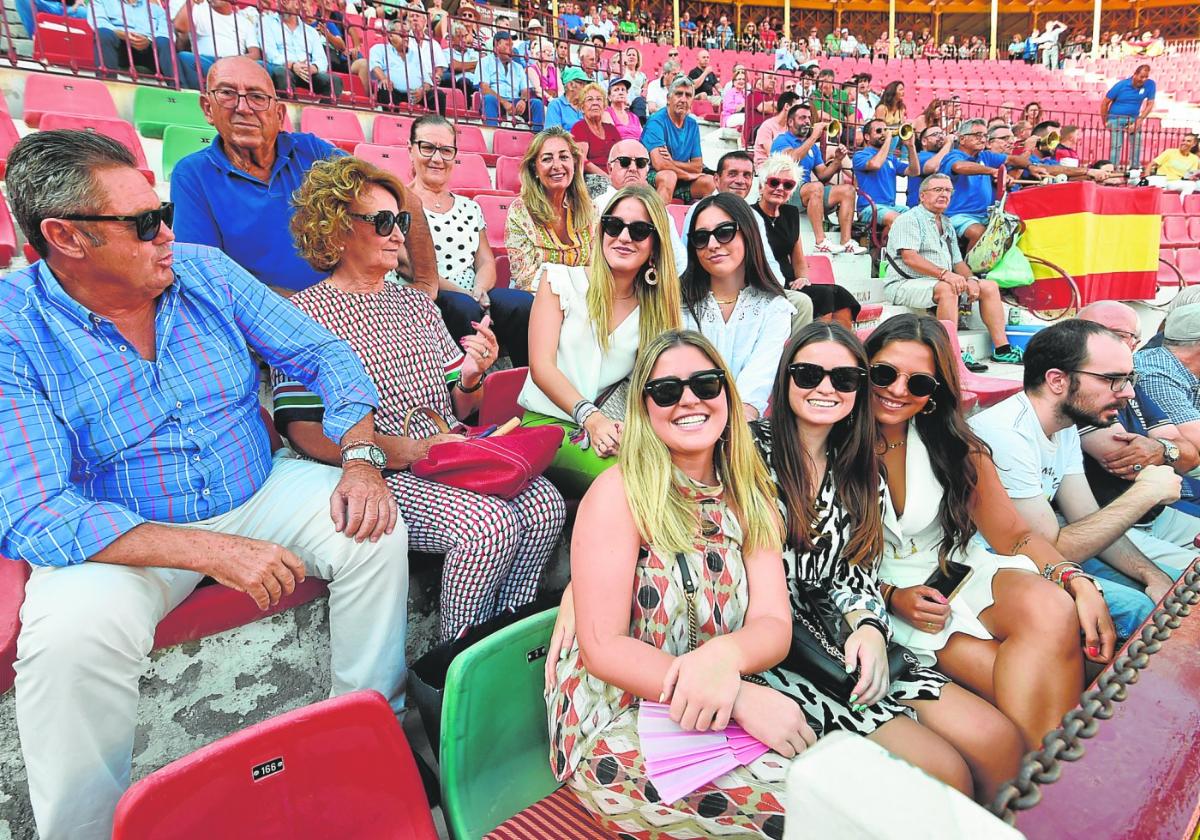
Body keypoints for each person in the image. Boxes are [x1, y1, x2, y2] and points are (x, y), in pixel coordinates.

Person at [2, 129, 409, 840]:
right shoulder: (14, 327)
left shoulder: (205, 270)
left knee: (373, 526)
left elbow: (322, 351)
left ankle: (368, 733)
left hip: (256, 487)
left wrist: (359, 456)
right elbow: (36, 510)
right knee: (67, 639)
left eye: (162, 211)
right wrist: (213, 552)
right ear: (65, 237)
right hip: (126, 534)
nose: (167, 233)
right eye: (142, 223)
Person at [277, 155, 564, 643]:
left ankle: (504, 641)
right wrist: (397, 451)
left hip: (445, 455)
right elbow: (303, 433)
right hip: (384, 467)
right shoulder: (303, 314)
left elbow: (460, 407)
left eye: (402, 221)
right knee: (487, 526)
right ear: (337, 229)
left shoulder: (414, 301)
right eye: (383, 221)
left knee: (547, 506)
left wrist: (473, 376)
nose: (398, 234)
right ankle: (457, 660)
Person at [545, 329, 804, 836]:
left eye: (705, 385)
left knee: (827, 793)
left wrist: (724, 660)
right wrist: (740, 698)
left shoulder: (749, 492)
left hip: (710, 698)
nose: (689, 399)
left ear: (727, 395)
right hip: (617, 717)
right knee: (800, 812)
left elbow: (773, 621)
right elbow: (604, 648)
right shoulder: (618, 493)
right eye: (666, 391)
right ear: (644, 409)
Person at [752, 323, 1025, 801]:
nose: (825, 388)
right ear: (785, 377)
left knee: (997, 740)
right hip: (770, 644)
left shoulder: (857, 468)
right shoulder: (744, 451)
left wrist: (869, 626)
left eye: (844, 378)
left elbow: (854, 571)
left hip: (838, 633)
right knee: (945, 773)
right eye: (808, 373)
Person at [864, 315, 1113, 750]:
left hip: (956, 571)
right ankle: (1051, 780)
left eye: (919, 383)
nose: (898, 390)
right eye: (884, 374)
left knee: (1056, 607)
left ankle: (1049, 779)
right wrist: (888, 595)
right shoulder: (830, 444)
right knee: (1028, 684)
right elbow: (819, 563)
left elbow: (1014, 537)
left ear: (934, 393)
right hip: (888, 598)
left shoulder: (952, 444)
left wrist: (1079, 581)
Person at [970, 320, 1191, 640]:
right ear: (1057, 380)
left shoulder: (1064, 426)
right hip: (993, 569)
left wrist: (1151, 575)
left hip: (1045, 559)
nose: (1128, 392)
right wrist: (1144, 493)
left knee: (1177, 587)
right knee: (1141, 611)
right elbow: (1051, 548)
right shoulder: (1006, 434)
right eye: (1113, 379)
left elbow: (1091, 521)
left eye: (1129, 379)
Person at [172, 57, 436, 295]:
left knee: (459, 307)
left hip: (345, 305)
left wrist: (426, 284)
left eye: (257, 97)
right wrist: (309, 310)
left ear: (279, 114)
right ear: (207, 108)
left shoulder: (312, 151)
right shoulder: (193, 175)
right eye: (227, 94)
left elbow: (401, 197)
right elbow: (206, 278)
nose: (243, 107)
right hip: (262, 326)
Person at [519, 186, 682, 495]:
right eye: (613, 225)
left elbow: (652, 385)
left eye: (639, 230)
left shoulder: (655, 309)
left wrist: (626, 430)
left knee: (674, 472)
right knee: (632, 482)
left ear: (655, 246)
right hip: (547, 426)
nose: (623, 237)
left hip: (612, 428)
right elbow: (541, 367)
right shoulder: (559, 280)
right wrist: (591, 419)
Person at [405, 115, 533, 367]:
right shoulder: (397, 201)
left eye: (446, 150)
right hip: (427, 295)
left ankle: (525, 385)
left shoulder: (469, 207)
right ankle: (469, 389)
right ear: (410, 150)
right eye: (427, 147)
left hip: (473, 295)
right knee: (464, 308)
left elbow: (485, 260)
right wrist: (469, 296)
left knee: (523, 304)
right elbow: (411, 267)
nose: (437, 158)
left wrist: (480, 290)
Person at [1077, 302, 1200, 546]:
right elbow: (1127, 461)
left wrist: (1162, 450)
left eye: (1119, 335)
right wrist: (1169, 451)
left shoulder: (1132, 385)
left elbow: (1190, 456)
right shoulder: (1079, 388)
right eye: (1095, 331)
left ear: (1135, 344)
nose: (1107, 341)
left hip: (1156, 509)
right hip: (1120, 523)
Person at [882, 174, 1024, 366]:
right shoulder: (909, 219)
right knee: (947, 289)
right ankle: (951, 352)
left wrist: (972, 279)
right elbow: (910, 258)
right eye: (938, 190)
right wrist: (945, 275)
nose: (944, 194)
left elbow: (957, 262)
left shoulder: (946, 222)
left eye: (948, 190)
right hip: (904, 284)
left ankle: (1002, 349)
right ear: (922, 196)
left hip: (938, 282)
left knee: (988, 286)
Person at [681, 192, 794, 420]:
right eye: (701, 237)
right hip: (682, 422)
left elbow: (754, 389)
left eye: (724, 232)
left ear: (748, 234)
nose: (712, 245)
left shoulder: (774, 309)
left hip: (741, 429)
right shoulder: (676, 303)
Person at [754, 154, 857, 330]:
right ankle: (816, 346)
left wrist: (802, 277)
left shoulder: (790, 214)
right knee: (824, 296)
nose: (780, 188)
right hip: (765, 284)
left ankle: (842, 346)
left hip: (790, 282)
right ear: (761, 186)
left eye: (787, 185)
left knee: (840, 294)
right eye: (774, 182)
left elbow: (798, 258)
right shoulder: (750, 215)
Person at [504, 127, 596, 293]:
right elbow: (524, 277)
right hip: (534, 299)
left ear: (574, 163)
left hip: (583, 298)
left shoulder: (590, 208)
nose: (557, 165)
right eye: (547, 159)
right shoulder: (520, 211)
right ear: (535, 169)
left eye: (564, 157)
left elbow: (597, 267)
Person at [770, 105, 865, 256]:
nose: (807, 121)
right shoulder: (781, 140)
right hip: (786, 190)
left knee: (847, 190)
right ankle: (820, 242)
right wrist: (814, 136)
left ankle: (846, 242)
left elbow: (823, 175)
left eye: (809, 118)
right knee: (816, 187)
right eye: (802, 118)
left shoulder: (812, 148)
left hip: (807, 191)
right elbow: (791, 159)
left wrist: (837, 161)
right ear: (790, 122)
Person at [940, 118, 1033, 252]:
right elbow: (959, 166)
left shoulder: (985, 156)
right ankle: (968, 269)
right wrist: (994, 171)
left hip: (985, 215)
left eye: (985, 136)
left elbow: (1011, 159)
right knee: (979, 233)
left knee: (1017, 228)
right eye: (978, 135)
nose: (983, 139)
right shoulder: (953, 156)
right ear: (961, 139)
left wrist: (1030, 166)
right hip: (956, 215)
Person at [592, 140, 688, 268]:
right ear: (610, 168)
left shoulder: (658, 211)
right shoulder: (595, 207)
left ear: (647, 171)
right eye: (624, 162)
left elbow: (678, 261)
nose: (633, 168)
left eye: (640, 163)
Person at [642, 77, 716, 205]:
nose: (683, 99)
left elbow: (697, 166)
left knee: (709, 182)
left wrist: (671, 162)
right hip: (652, 176)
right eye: (678, 94)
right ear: (668, 99)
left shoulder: (692, 125)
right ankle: (660, 223)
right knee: (668, 176)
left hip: (678, 179)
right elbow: (660, 164)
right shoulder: (656, 121)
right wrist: (687, 175)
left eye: (688, 95)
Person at [259, 0, 341, 98]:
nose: (281, 2)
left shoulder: (310, 32)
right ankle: (292, 110)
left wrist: (313, 67)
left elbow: (322, 60)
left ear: (297, 4)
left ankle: (319, 112)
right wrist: (293, 65)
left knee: (335, 81)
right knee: (282, 74)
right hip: (284, 67)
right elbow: (270, 53)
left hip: (307, 71)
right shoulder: (267, 22)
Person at [853, 120, 920, 238]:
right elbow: (875, 164)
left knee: (918, 219)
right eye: (879, 131)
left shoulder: (891, 159)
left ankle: (889, 250)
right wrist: (888, 139)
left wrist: (911, 147)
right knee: (898, 219)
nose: (884, 133)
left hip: (891, 207)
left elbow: (914, 172)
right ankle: (884, 249)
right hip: (869, 207)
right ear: (867, 137)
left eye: (885, 130)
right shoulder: (860, 155)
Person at [174, 0, 255, 90]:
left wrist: (231, 60)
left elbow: (255, 54)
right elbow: (179, 27)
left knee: (263, 66)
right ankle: (208, 92)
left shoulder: (244, 22)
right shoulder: (200, 11)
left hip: (235, 65)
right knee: (184, 57)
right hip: (207, 63)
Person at [368, 19, 444, 111]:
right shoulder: (379, 49)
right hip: (393, 91)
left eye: (407, 34)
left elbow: (427, 81)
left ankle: (438, 124)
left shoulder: (416, 55)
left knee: (438, 95)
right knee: (385, 90)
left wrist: (422, 91)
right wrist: (384, 78)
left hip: (416, 95)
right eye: (401, 34)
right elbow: (375, 66)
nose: (406, 37)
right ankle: (393, 123)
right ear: (390, 35)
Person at [90, 0, 174, 80]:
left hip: (149, 47)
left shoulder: (156, 9)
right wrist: (124, 34)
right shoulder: (100, 1)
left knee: (164, 41)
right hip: (120, 45)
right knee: (103, 33)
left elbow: (167, 32)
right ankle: (107, 82)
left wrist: (149, 40)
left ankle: (177, 88)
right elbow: (99, 22)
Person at [479, 31, 545, 130]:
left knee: (537, 104)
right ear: (497, 45)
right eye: (507, 45)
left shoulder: (517, 67)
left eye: (512, 45)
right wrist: (504, 102)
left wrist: (523, 100)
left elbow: (525, 89)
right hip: (496, 100)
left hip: (515, 101)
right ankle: (491, 135)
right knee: (488, 99)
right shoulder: (485, 62)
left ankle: (537, 139)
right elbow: (484, 88)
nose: (511, 48)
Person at [570, 81, 622, 196]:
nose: (595, 103)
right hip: (592, 179)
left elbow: (622, 156)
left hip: (614, 177)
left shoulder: (611, 129)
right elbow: (582, 161)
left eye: (599, 99)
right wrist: (608, 178)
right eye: (590, 100)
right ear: (582, 107)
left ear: (604, 106)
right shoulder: (579, 128)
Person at [1101, 64, 1155, 168]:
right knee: (1116, 146)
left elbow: (1150, 104)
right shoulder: (1121, 85)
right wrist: (1105, 120)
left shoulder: (1150, 84)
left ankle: (1134, 168)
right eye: (1141, 76)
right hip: (1115, 118)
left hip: (1134, 118)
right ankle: (1113, 168)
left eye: (1146, 77)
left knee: (1137, 144)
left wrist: (1139, 121)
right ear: (1135, 75)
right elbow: (1105, 103)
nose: (1143, 80)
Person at [906, 126, 954, 208]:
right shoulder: (919, 156)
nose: (941, 136)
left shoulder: (943, 155)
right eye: (936, 134)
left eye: (942, 133)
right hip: (921, 209)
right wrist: (948, 143)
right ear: (924, 141)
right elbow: (932, 167)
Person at [753, 90, 800, 167]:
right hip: (766, 168)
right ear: (787, 106)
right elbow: (773, 153)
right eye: (797, 108)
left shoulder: (789, 128)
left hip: (785, 167)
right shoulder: (767, 126)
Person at [546, 66, 589, 130]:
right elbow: (552, 134)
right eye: (581, 83)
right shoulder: (556, 105)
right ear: (570, 85)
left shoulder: (587, 105)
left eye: (586, 84)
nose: (585, 88)